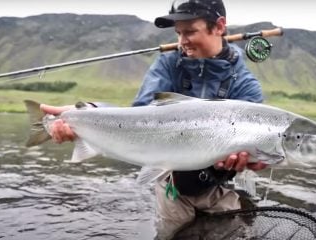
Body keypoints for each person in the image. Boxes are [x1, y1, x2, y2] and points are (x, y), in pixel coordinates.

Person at [41, 0, 267, 238]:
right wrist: (85, 112)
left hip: (218, 185)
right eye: (178, 33)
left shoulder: (245, 85)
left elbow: (256, 154)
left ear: (219, 26)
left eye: (190, 32)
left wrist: (256, 160)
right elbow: (138, 117)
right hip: (170, 181)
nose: (182, 42)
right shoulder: (168, 64)